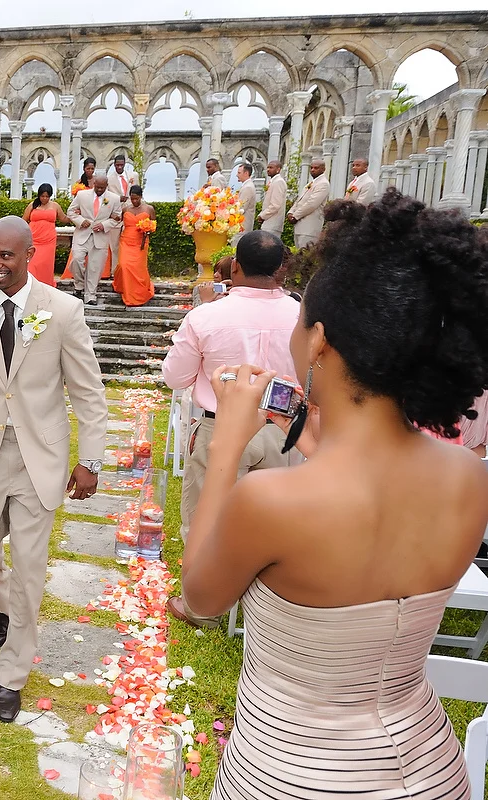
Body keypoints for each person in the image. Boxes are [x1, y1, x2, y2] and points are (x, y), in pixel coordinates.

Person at [186, 190, 488, 800]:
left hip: (293, 771)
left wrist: (226, 450)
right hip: (430, 764)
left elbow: (201, 596)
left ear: (318, 341)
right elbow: (377, 528)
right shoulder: (469, 476)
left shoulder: (272, 501)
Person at [0, 216, 109, 723]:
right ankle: (3, 608)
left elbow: (87, 391)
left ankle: (11, 673)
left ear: (29, 254)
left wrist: (90, 460)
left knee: (30, 568)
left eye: (6, 256)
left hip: (41, 457)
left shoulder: (63, 311)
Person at [162, 231, 299, 622]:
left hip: (219, 427)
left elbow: (174, 377)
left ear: (235, 265)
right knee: (275, 522)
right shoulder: (301, 315)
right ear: (281, 270)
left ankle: (200, 605)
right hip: (284, 428)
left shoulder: (207, 315)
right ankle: (267, 606)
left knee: (208, 515)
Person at [67, 175, 121, 305]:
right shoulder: (82, 195)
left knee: (95, 267)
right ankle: (79, 285)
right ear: (94, 184)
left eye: (102, 188)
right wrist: (80, 221)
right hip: (82, 235)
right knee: (77, 260)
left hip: (100, 237)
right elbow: (71, 211)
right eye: (97, 187)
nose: (99, 190)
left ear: (106, 186)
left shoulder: (114, 198)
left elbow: (117, 217)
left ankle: (90, 295)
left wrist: (104, 225)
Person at [113, 185, 156, 307]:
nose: (134, 201)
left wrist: (148, 229)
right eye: (132, 199)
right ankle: (124, 287)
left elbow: (154, 225)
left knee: (138, 268)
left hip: (140, 242)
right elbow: (118, 221)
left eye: (136, 198)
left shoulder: (149, 209)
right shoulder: (126, 209)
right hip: (126, 240)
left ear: (141, 197)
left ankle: (136, 294)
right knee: (123, 265)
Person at [21, 182, 71, 286]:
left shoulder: (55, 206)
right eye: (42, 196)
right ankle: (29, 284)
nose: (44, 198)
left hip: (48, 240)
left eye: (47, 196)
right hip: (34, 239)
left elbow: (64, 218)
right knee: (32, 263)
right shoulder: (32, 205)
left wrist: (76, 215)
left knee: (45, 264)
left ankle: (45, 284)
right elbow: (24, 220)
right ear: (39, 195)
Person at [288, 158, 330, 248]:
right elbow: (300, 199)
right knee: (298, 256)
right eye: (311, 168)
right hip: (300, 225)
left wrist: (295, 216)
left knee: (305, 255)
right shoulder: (310, 183)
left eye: (316, 168)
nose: (313, 170)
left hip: (310, 227)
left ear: (323, 169)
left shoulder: (323, 184)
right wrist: (290, 212)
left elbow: (312, 204)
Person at [258, 160, 288, 238]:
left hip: (272, 223)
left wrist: (262, 216)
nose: (268, 169)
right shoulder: (273, 181)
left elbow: (275, 205)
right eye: (267, 167)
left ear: (278, 169)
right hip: (268, 223)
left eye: (271, 167)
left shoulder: (278, 182)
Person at [234, 163, 257, 242]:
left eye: (239, 173)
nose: (237, 175)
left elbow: (241, 208)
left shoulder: (248, 187)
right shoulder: (246, 186)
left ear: (246, 173)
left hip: (243, 225)